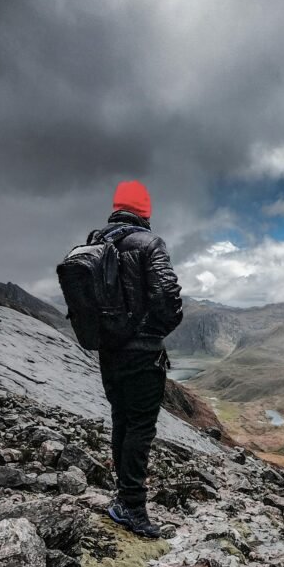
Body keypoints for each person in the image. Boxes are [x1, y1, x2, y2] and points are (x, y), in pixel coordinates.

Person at [90, 180, 183, 538]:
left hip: (108, 353)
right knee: (141, 428)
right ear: (145, 211)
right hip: (143, 354)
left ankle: (123, 499)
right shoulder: (149, 243)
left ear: (117, 208)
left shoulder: (96, 243)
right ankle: (133, 507)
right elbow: (168, 297)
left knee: (122, 421)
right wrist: (152, 332)